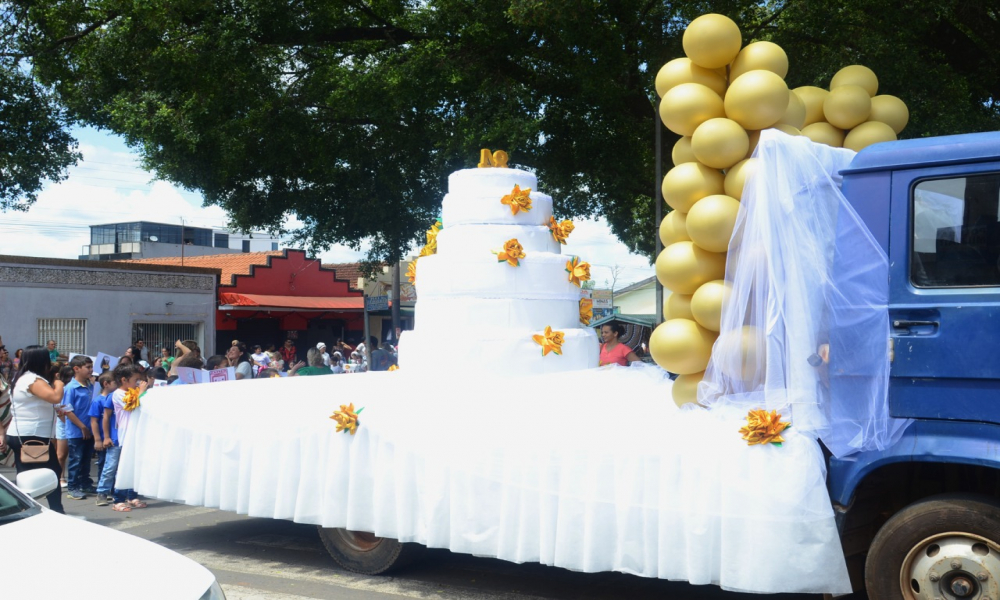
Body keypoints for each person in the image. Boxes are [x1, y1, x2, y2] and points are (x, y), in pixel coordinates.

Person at [1, 345, 66, 513]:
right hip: (31, 435)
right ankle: (56, 511)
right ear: (40, 360)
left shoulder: (24, 378)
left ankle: (22, 509)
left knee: (28, 475)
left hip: (26, 434)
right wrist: (59, 383)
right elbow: (54, 396)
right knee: (51, 472)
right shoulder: (32, 380)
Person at [110, 363, 147, 511]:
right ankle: (118, 499)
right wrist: (142, 391)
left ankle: (132, 496)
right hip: (126, 434)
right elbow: (133, 405)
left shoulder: (134, 391)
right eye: (135, 379)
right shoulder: (118, 393)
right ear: (124, 380)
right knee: (125, 467)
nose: (138, 382)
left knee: (135, 467)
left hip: (137, 433)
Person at [63, 355, 96, 500]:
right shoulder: (70, 388)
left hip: (90, 430)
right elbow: (67, 410)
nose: (91, 370)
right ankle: (73, 487)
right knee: (75, 460)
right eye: (87, 367)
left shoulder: (90, 385)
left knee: (86, 459)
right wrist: (82, 427)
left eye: (91, 367)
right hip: (77, 431)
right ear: (76, 369)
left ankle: (85, 483)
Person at [90, 371, 117, 506]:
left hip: (113, 437)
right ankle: (102, 491)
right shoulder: (98, 400)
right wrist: (98, 439)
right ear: (106, 384)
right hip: (104, 438)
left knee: (112, 465)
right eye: (115, 383)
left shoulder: (116, 398)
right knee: (105, 465)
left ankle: (113, 490)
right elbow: (94, 421)